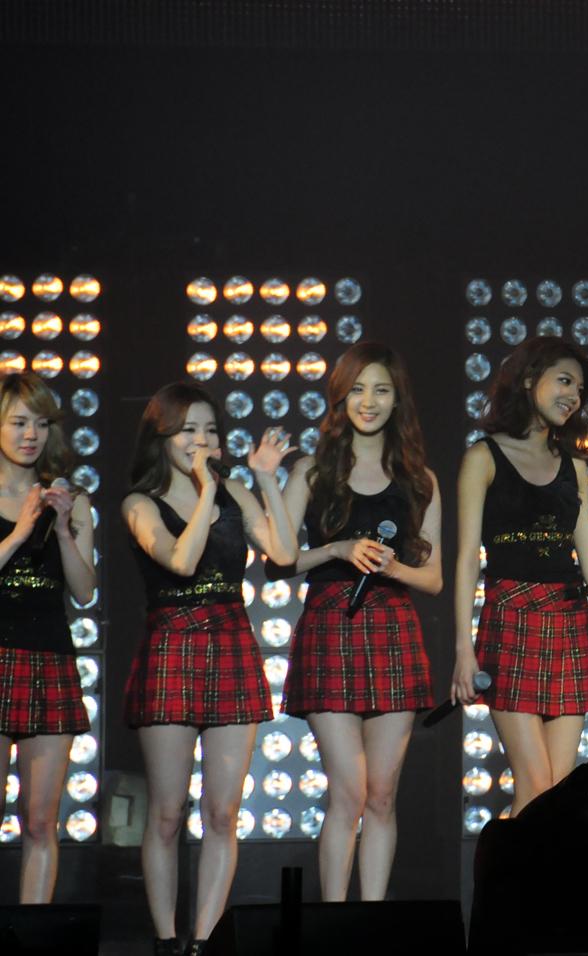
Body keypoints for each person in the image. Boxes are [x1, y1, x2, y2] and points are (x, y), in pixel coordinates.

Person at [122, 382, 298, 955]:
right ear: (162, 436)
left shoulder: (234, 492)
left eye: (210, 429)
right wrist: (204, 492)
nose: (200, 440)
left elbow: (285, 555)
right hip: (171, 648)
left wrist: (265, 480)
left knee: (223, 813)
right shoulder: (140, 503)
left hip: (230, 644)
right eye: (187, 430)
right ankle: (166, 941)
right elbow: (182, 559)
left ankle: (204, 941)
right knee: (167, 814)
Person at [278, 342, 443, 901]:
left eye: (381, 390)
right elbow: (278, 561)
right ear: (340, 397)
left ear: (397, 400)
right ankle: (333, 922)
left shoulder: (419, 479)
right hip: (330, 625)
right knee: (348, 792)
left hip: (393, 629)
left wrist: (393, 566)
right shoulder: (311, 471)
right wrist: (337, 549)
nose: (368, 401)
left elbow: (434, 578)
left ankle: (371, 919)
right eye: (357, 389)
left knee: (382, 795)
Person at [451, 337, 588, 815]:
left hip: (568, 621)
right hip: (510, 617)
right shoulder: (483, 458)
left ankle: (528, 866)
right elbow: (468, 558)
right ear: (528, 379)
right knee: (536, 788)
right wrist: (463, 649)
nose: (573, 396)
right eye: (564, 381)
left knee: (558, 797)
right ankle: (504, 865)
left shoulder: (573, 466)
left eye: (579, 389)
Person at [0, 372, 95, 905]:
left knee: (40, 821)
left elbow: (83, 591)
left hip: (49, 660)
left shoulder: (71, 499)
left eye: (40, 423)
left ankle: (33, 933)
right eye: (18, 422)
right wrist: (19, 532)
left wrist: (61, 528)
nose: (30, 434)